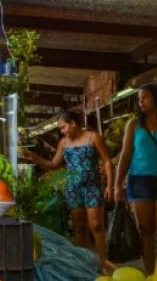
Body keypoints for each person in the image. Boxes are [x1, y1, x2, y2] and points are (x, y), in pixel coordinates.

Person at [24, 111, 113, 268]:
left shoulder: (94, 137)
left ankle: (104, 263)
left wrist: (110, 185)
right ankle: (84, 264)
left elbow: (107, 161)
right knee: (79, 228)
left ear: (73, 123)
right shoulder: (63, 143)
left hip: (92, 187)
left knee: (97, 225)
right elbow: (53, 164)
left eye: (63, 127)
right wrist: (35, 158)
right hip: (73, 189)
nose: (61, 131)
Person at [114, 84, 157, 274]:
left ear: (156, 99)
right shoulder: (133, 125)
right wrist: (117, 185)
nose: (141, 102)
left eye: (145, 98)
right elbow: (125, 155)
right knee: (145, 230)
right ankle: (151, 275)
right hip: (139, 182)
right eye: (139, 99)